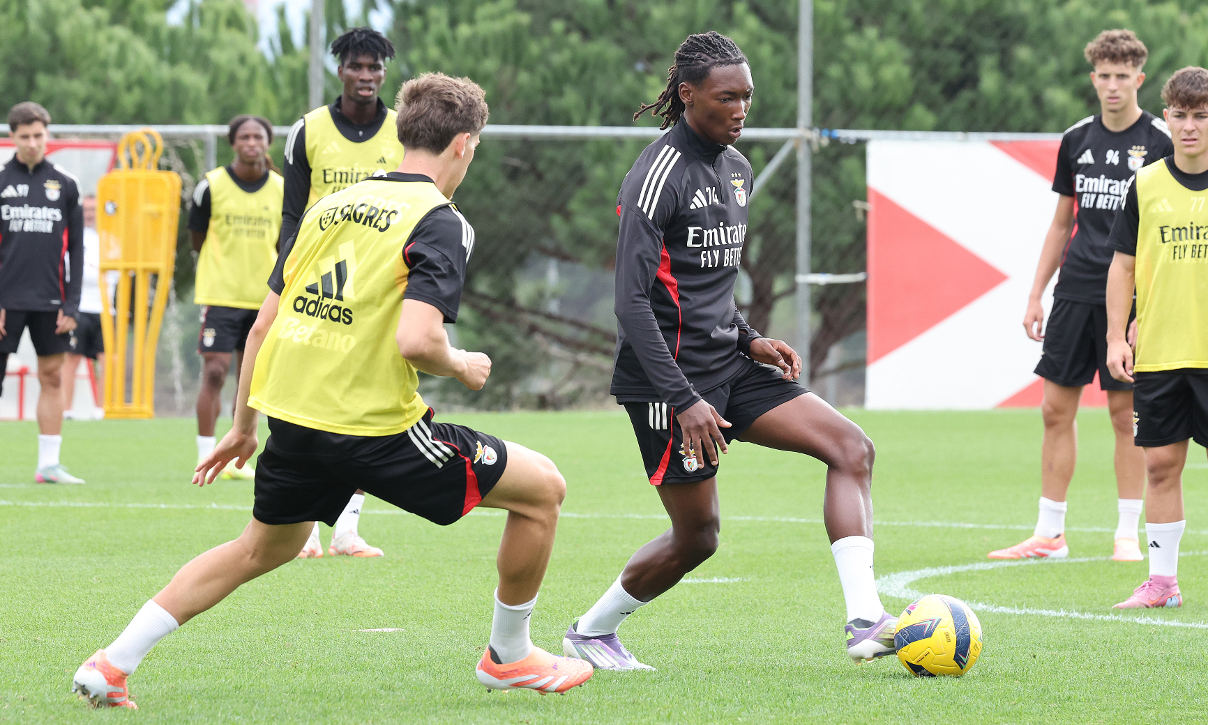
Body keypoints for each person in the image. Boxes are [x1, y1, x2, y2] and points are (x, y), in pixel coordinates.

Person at [71, 73, 593, 710]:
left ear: (402, 133)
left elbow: (263, 323)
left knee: (263, 547)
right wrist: (461, 365)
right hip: (371, 430)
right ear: (465, 145)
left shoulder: (329, 206)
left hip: (291, 416)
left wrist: (243, 426)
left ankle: (111, 662)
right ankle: (509, 656)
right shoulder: (441, 221)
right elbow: (417, 341)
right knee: (543, 490)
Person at [561, 31, 896, 671]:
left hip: (731, 367)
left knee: (851, 448)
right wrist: (682, 399)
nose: (741, 109)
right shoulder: (655, 177)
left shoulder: (736, 169)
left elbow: (705, 282)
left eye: (747, 96)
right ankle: (590, 631)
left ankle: (863, 621)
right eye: (726, 98)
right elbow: (632, 304)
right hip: (667, 385)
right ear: (687, 96)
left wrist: (750, 338)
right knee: (698, 538)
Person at [989, 29, 1172, 563]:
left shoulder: (1160, 142)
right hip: (1074, 290)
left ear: (1139, 79)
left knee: (1125, 414)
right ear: (1093, 79)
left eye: (1123, 76)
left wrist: (1149, 310)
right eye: (1104, 76)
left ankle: (1125, 534)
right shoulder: (1076, 140)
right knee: (1054, 410)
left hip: (1131, 298)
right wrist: (1034, 294)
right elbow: (1061, 222)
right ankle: (1049, 535)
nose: (1113, 86)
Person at [282, 26, 407, 558]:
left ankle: (348, 527)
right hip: (317, 285)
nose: (365, 76)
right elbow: (291, 213)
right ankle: (308, 525)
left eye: (374, 68)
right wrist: (285, 274)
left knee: (370, 400)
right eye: (356, 66)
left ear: (384, 74)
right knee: (309, 398)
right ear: (340, 70)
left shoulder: (404, 130)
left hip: (379, 285)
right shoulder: (307, 130)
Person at [1105, 65, 1208, 609]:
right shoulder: (1145, 184)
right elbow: (1122, 267)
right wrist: (1116, 338)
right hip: (1163, 353)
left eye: (1202, 116)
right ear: (1166, 117)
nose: (1190, 127)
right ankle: (1162, 584)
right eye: (1181, 115)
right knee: (1161, 465)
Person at [189, 116, 283, 480]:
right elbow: (196, 238)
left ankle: (232, 458)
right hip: (220, 294)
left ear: (267, 142)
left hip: (263, 299)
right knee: (214, 371)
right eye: (244, 136)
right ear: (233, 143)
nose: (251, 142)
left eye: (257, 136)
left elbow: (284, 244)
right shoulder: (211, 186)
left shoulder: (280, 187)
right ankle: (204, 452)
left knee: (252, 379)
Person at [0, 101, 85, 483]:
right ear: (12, 137)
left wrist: (72, 303)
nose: (33, 143)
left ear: (46, 134)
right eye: (25, 136)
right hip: (6, 301)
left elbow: (77, 249)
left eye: (39, 135)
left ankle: (48, 465)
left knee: (51, 377)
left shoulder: (66, 184)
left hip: (52, 303)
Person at [62, 195, 106, 420]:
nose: (89, 213)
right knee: (71, 358)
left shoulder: (109, 237)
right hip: (80, 307)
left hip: (105, 308)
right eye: (86, 209)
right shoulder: (75, 237)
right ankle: (67, 409)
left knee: (106, 359)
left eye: (93, 209)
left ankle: (101, 410)